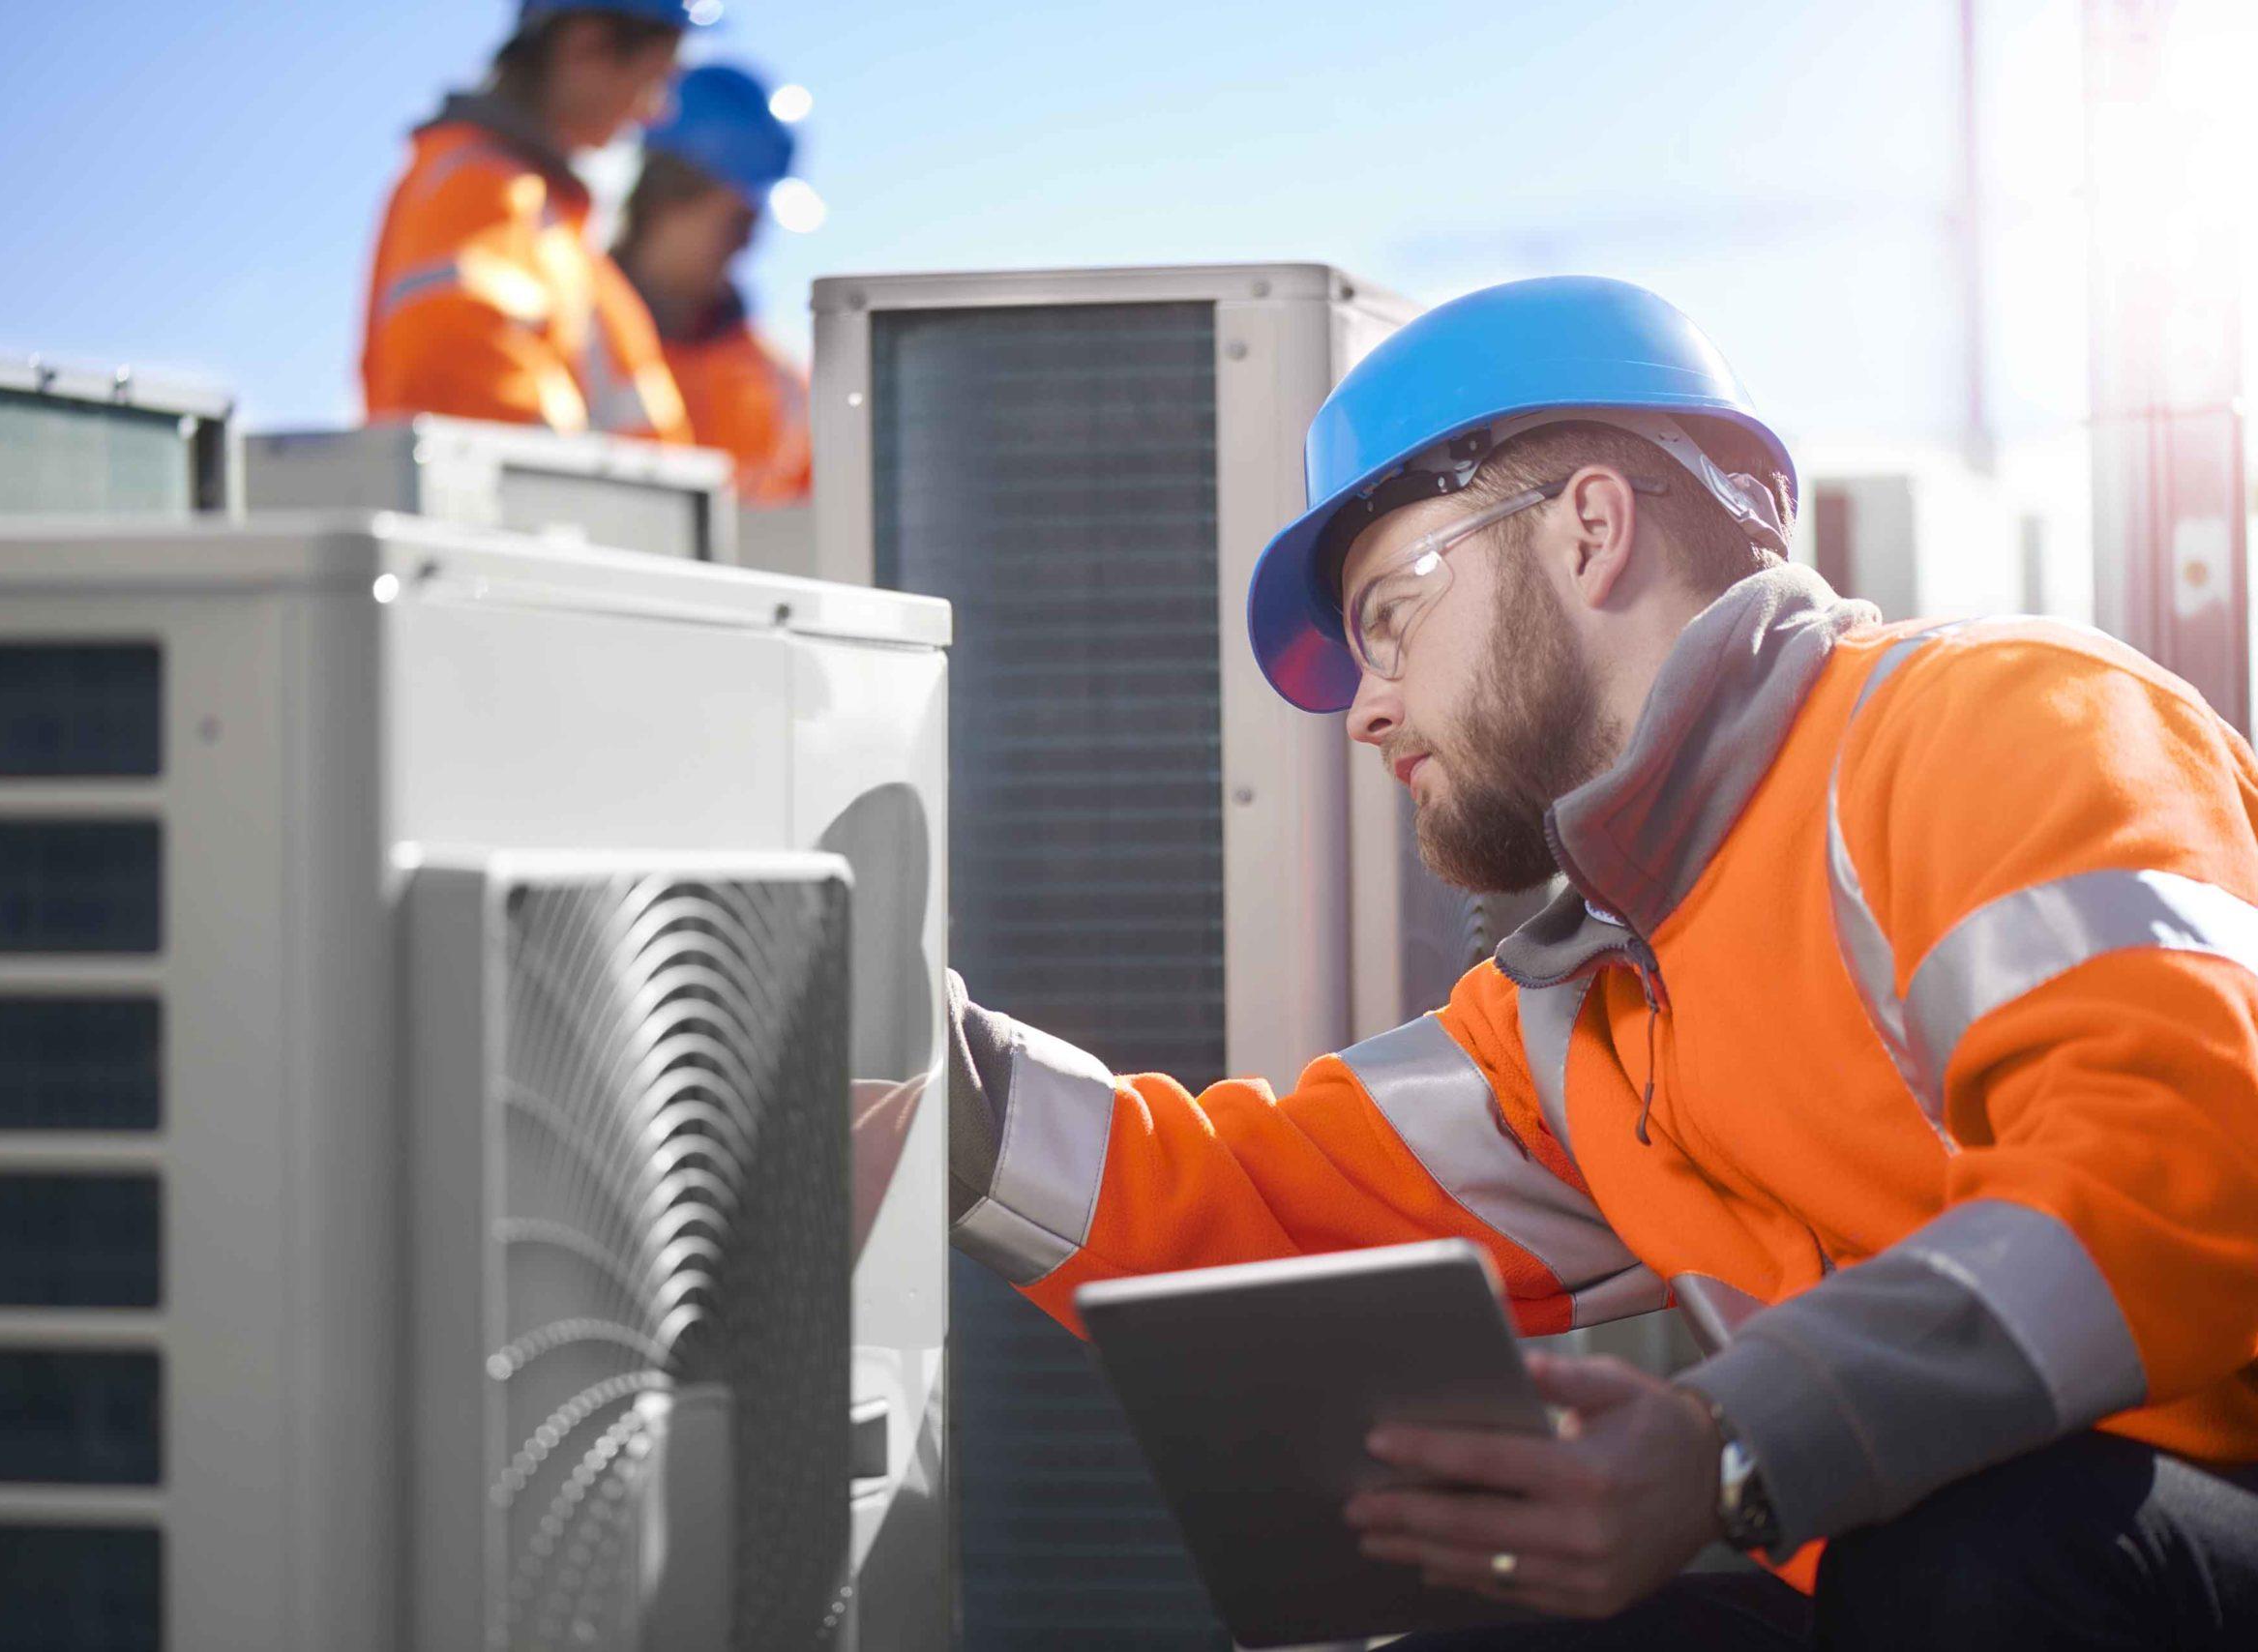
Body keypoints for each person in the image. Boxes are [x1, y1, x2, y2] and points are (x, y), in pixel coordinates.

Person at [945, 276, 2258, 1648]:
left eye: (1389, 613)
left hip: (2154, 1538)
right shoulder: (1581, 1004)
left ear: (1588, 528)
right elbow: (1243, 1207)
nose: (1368, 706)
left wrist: (1730, 1443)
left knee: (1987, 1545)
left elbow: (2178, 1170)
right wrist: (908, 1074)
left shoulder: (2003, 724)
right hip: (1898, 1579)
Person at [359, 0, 704, 441]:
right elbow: (469, 395)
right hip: (539, 511)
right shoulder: (479, 188)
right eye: (656, 80)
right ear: (586, 46)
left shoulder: (546, 216)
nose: (657, 112)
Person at [613, 62, 813, 506]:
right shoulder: (567, 332)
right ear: (669, 195)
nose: (748, 245)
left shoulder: (781, 386)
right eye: (739, 222)